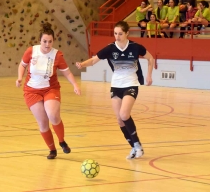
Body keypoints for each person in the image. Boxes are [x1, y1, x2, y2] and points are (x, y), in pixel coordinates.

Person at [76, 21, 154, 159]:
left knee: (124, 114)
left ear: (127, 33)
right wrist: (82, 64)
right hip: (116, 86)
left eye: (120, 34)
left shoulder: (135, 47)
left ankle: (137, 145)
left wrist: (149, 75)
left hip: (131, 84)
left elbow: (150, 58)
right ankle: (134, 148)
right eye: (115, 33)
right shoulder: (110, 48)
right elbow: (94, 60)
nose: (117, 36)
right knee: (119, 119)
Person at [16, 22, 81, 159]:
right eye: (45, 41)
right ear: (40, 40)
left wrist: (75, 85)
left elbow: (67, 73)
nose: (47, 44)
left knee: (53, 115)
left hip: (50, 89)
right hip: (31, 91)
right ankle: (52, 150)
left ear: (53, 41)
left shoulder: (57, 55)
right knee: (43, 121)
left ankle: (62, 141)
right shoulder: (31, 51)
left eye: (50, 41)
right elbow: (22, 65)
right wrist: (20, 78)